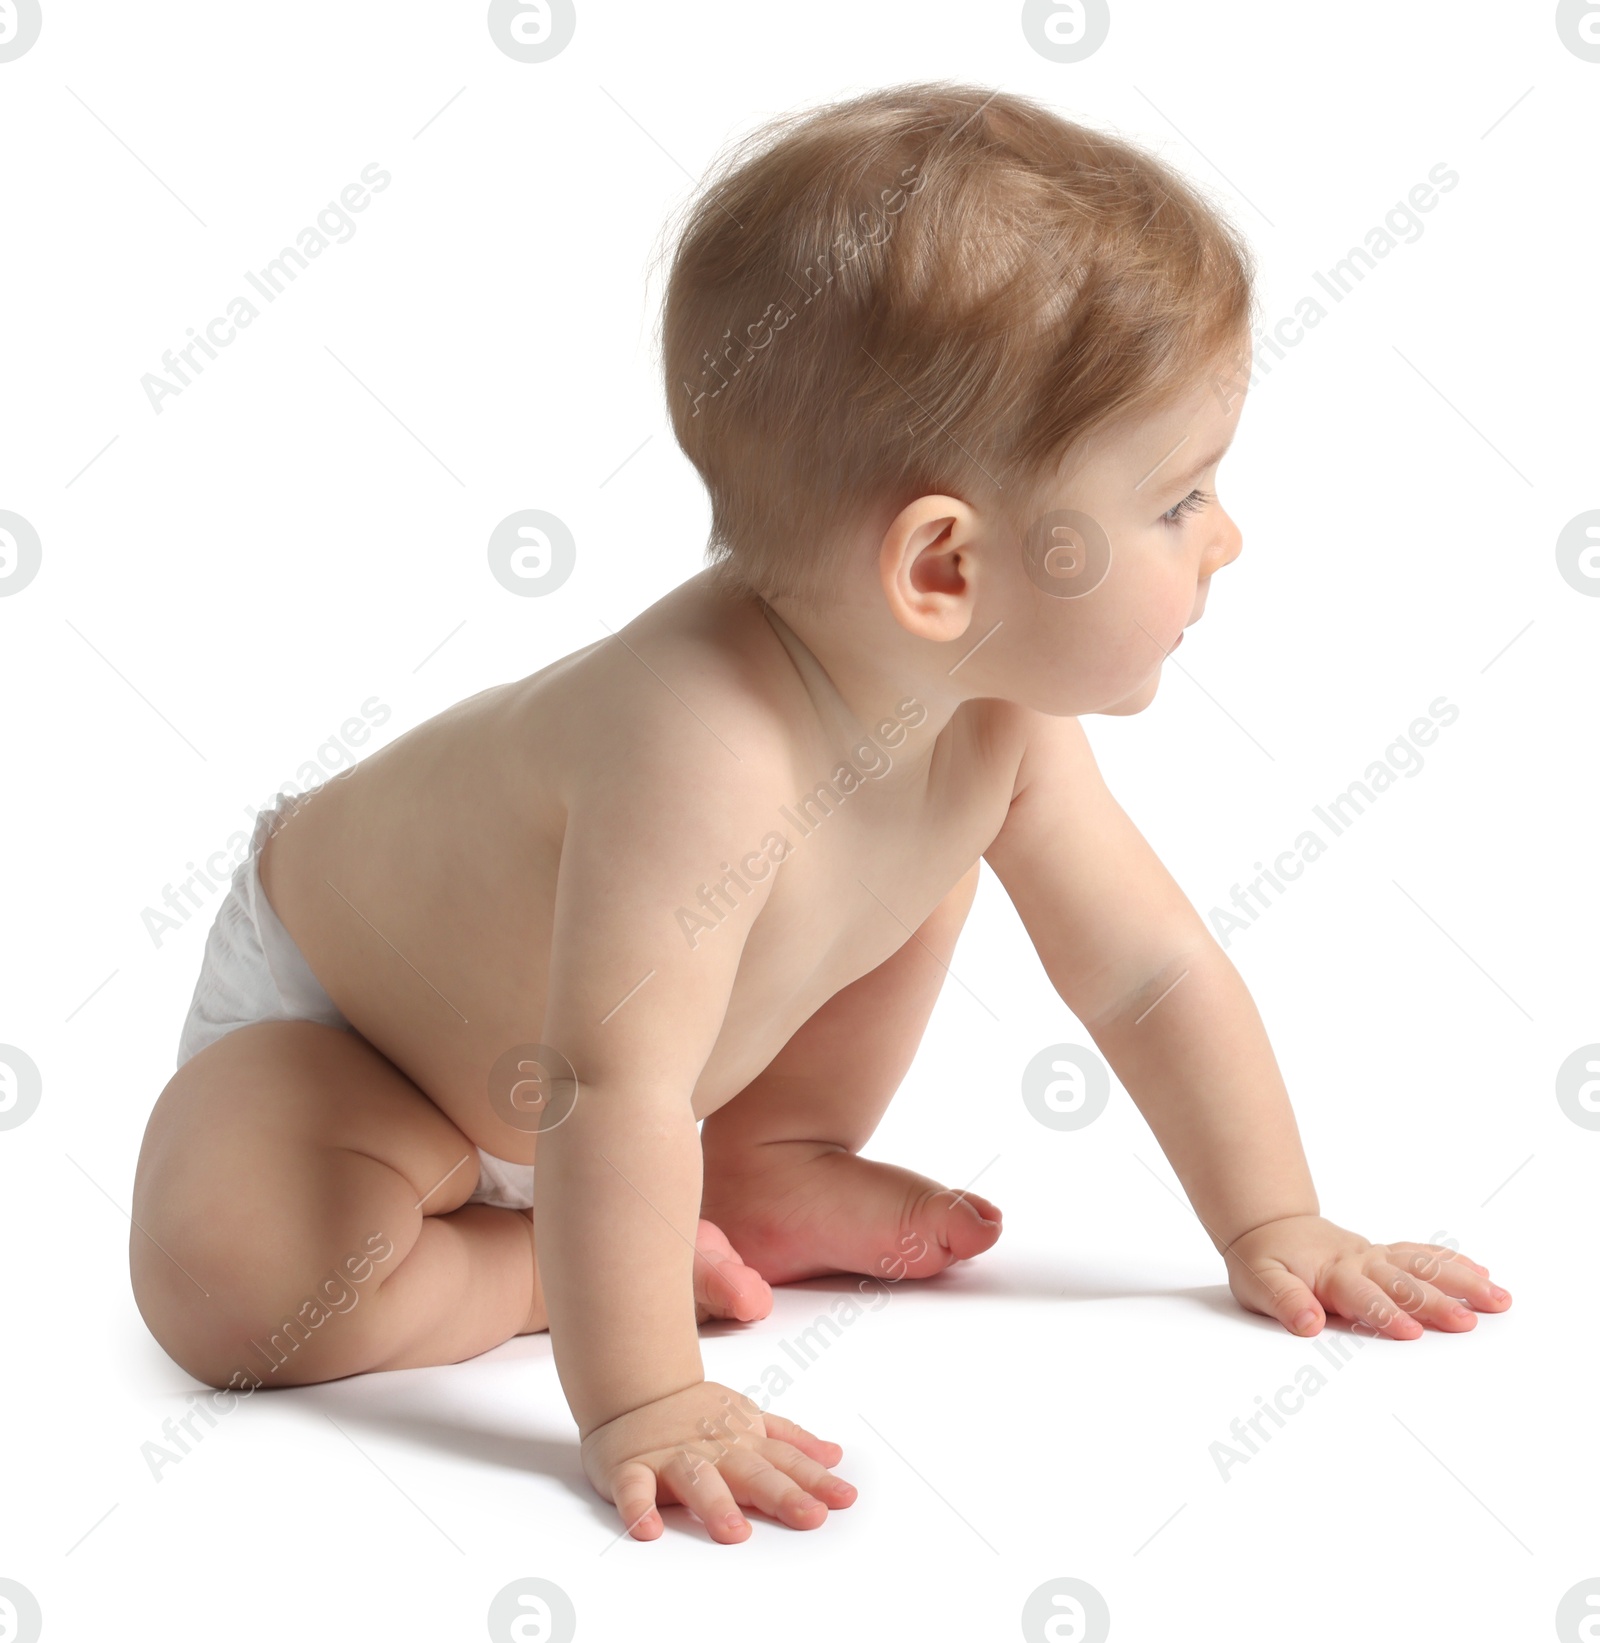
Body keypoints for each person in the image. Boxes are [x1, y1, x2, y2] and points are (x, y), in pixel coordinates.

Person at [130, 80, 1510, 1546]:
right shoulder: (697, 747)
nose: (1228, 536)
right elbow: (607, 1091)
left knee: (928, 854)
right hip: (367, 1046)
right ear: (942, 569)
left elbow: (1150, 970)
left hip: (644, 1095)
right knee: (237, 1289)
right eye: (1179, 499)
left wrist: (1274, 1224)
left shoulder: (991, 712)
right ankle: (527, 1273)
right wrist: (645, 1397)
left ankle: (759, 1171)